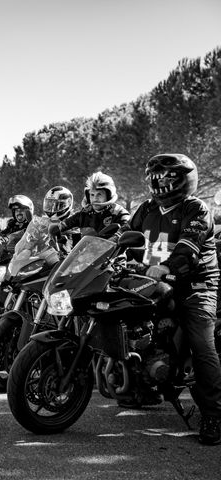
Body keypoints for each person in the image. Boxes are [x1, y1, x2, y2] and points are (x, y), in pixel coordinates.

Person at [121, 153, 221, 446]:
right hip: (153, 282)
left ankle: (214, 413)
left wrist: (166, 267)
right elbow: (126, 236)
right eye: (155, 176)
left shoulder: (196, 209)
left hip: (196, 286)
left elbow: (188, 248)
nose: (159, 182)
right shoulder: (148, 208)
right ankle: (141, 383)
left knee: (202, 346)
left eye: (167, 176)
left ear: (183, 179)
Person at [49, 172, 129, 239]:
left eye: (99, 194)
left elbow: (127, 226)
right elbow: (67, 223)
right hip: (88, 255)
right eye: (92, 194)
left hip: (114, 255)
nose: (95, 198)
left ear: (108, 196)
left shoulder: (118, 212)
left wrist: (117, 237)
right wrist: (56, 228)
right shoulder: (85, 213)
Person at [13, 186, 74, 263]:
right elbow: (33, 229)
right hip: (43, 257)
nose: (51, 209)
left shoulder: (71, 223)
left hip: (66, 263)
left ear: (66, 205)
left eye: (56, 206)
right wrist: (13, 237)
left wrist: (61, 242)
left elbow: (69, 242)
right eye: (49, 205)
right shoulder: (46, 220)